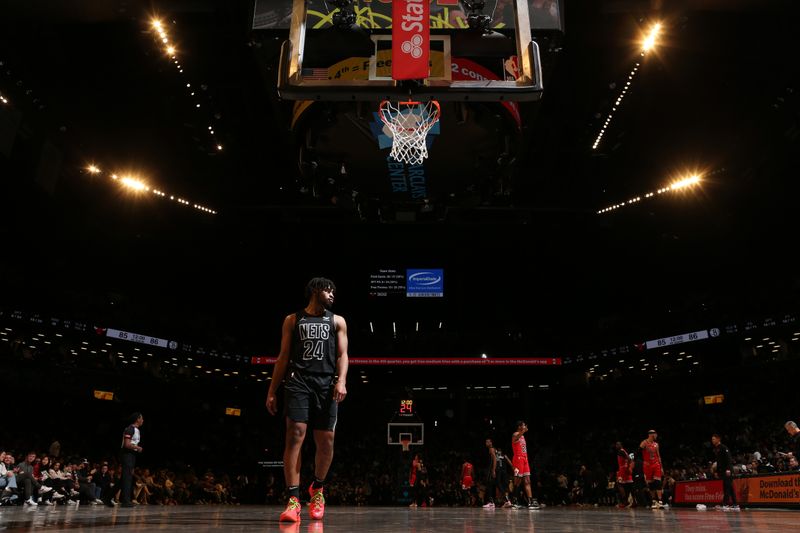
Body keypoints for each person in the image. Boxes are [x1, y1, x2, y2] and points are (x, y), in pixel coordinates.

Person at [266, 277, 349, 523]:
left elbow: (344, 355)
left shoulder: (337, 321)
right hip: (298, 380)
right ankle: (293, 500)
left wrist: (341, 380)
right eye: (328, 289)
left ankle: (317, 489)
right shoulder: (292, 320)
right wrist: (272, 390)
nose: (333, 294)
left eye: (334, 290)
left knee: (327, 440)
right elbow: (282, 357)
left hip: (326, 383)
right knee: (295, 434)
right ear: (315, 290)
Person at [511, 420, 539, 509]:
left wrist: (523, 432)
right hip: (518, 459)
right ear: (519, 426)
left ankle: (530, 502)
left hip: (525, 459)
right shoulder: (515, 434)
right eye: (523, 425)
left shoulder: (523, 436)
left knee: (527, 480)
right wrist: (523, 431)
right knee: (518, 481)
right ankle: (514, 501)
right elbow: (516, 437)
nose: (525, 426)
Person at [120, 412, 144, 508]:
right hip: (127, 454)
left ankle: (107, 497)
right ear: (137, 419)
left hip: (131, 454)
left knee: (125, 477)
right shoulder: (130, 429)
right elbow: (126, 444)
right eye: (141, 418)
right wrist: (138, 448)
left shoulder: (136, 430)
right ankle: (125, 501)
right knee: (127, 478)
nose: (143, 420)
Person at [711, 434, 739, 511]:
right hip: (723, 471)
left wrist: (728, 470)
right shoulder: (716, 449)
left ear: (718, 439)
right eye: (712, 439)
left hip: (727, 471)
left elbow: (728, 459)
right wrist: (716, 472)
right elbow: (719, 462)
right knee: (730, 487)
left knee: (726, 487)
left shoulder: (724, 448)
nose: (712, 440)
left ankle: (725, 504)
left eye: (713, 439)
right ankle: (735, 504)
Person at [640, 429, 665, 509]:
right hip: (647, 465)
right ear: (651, 434)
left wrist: (661, 467)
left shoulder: (656, 444)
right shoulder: (644, 443)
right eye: (655, 434)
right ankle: (654, 501)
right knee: (651, 484)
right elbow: (638, 452)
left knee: (658, 482)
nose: (656, 436)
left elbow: (659, 456)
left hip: (656, 464)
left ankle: (660, 501)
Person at [614, 442, 633, 508]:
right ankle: (628, 501)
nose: (616, 446)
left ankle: (625, 501)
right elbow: (629, 459)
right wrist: (628, 466)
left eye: (617, 444)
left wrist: (627, 466)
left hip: (622, 470)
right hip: (625, 469)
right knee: (627, 486)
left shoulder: (620, 451)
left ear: (620, 445)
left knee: (619, 484)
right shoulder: (624, 451)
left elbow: (629, 459)